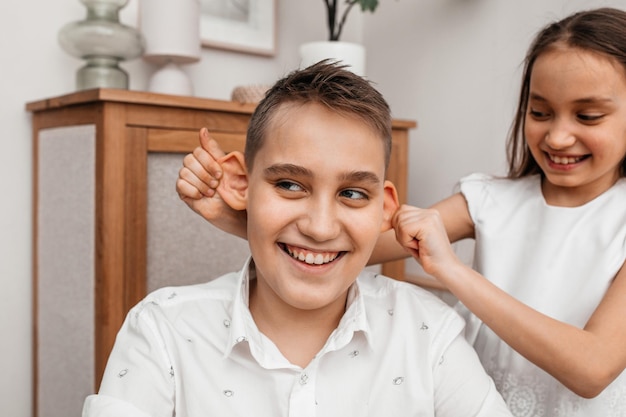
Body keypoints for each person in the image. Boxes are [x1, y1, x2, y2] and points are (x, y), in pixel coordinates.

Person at [175, 8, 626, 417]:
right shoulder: (489, 200)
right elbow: (343, 244)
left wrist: (453, 272)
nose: (558, 136)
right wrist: (236, 215)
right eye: (540, 111)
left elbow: (592, 368)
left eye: (587, 117)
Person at [83, 61, 511, 417]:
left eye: (351, 194)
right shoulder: (163, 330)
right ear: (240, 184)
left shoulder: (428, 334)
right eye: (290, 185)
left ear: (384, 208)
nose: (320, 227)